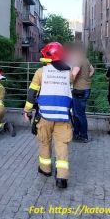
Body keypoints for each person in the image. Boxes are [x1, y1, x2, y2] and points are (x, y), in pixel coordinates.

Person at [24, 42, 73, 189]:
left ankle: (45, 170)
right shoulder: (68, 72)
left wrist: (27, 110)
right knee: (62, 145)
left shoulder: (40, 72)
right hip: (63, 116)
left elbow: (32, 93)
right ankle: (62, 178)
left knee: (44, 142)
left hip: (44, 115)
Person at [71, 47, 95, 143]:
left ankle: (84, 136)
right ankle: (76, 134)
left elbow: (74, 74)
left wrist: (67, 81)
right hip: (86, 89)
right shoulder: (86, 60)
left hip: (79, 90)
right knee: (77, 114)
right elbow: (92, 70)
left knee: (79, 115)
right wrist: (86, 78)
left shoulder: (78, 61)